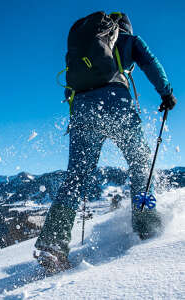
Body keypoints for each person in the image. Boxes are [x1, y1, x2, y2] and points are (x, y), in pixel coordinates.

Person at [34, 12, 177, 271]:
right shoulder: (127, 39)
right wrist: (166, 93)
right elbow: (150, 63)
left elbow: (71, 86)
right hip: (115, 103)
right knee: (140, 162)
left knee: (76, 175)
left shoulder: (86, 47)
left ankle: (53, 246)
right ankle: (146, 226)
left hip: (81, 108)